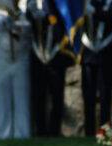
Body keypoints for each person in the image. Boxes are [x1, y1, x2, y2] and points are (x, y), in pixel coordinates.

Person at [27, 0, 75, 137]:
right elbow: (28, 23)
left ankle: (55, 132)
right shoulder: (31, 3)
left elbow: (66, 23)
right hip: (38, 56)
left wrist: (50, 17)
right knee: (38, 97)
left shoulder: (60, 3)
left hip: (56, 56)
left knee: (57, 97)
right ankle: (40, 131)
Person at [81, 0, 112, 136]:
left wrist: (95, 11)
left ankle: (103, 131)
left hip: (106, 55)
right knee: (88, 96)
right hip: (88, 55)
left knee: (105, 95)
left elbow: (111, 18)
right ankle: (89, 132)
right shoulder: (86, 3)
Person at [0, 0, 32, 139]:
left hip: (21, 59)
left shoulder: (27, 8)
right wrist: (8, 19)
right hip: (3, 59)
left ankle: (22, 134)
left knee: (21, 99)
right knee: (3, 99)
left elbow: (28, 27)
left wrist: (18, 21)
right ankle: (3, 134)